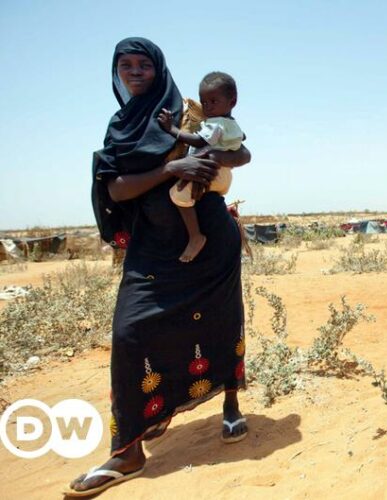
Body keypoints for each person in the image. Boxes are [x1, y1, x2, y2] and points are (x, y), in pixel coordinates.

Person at [68, 38, 252, 497]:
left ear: (159, 69)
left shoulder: (185, 111)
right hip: (151, 249)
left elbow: (241, 153)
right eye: (125, 65)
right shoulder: (119, 125)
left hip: (209, 243)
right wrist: (172, 169)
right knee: (132, 334)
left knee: (221, 322)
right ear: (115, 73)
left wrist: (210, 159)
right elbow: (116, 190)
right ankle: (127, 450)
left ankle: (229, 405)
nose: (134, 72)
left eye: (143, 64)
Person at [157, 71, 244, 263]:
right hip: (223, 176)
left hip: (210, 172)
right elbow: (240, 142)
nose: (208, 107)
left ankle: (195, 236)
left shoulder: (215, 124)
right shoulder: (232, 124)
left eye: (214, 102)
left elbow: (198, 141)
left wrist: (172, 130)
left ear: (232, 102)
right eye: (204, 103)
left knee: (177, 195)